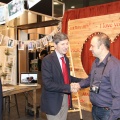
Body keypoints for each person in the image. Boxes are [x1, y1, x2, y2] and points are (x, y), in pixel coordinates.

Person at [71, 33, 120, 120]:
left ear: (101, 47)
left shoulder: (114, 66)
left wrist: (113, 117)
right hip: (95, 109)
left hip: (108, 113)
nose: (90, 49)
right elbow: (90, 79)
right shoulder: (95, 62)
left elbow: (118, 95)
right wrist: (79, 85)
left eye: (92, 46)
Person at [40, 32, 80, 120]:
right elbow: (48, 84)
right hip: (53, 101)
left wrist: (83, 81)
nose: (66, 46)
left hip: (65, 98)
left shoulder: (66, 59)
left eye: (67, 43)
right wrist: (69, 88)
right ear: (55, 45)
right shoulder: (47, 60)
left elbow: (66, 77)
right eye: (63, 44)